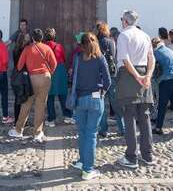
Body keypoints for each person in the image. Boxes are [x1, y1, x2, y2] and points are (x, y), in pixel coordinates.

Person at [115, 10, 155, 169]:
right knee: (144, 117)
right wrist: (148, 76)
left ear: (125, 21)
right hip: (144, 74)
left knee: (129, 116)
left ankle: (131, 157)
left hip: (129, 75)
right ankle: (148, 155)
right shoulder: (145, 35)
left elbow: (125, 59)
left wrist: (137, 76)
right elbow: (151, 58)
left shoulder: (123, 35)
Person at [70, 32, 111, 180]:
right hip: (95, 99)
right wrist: (102, 92)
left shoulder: (77, 59)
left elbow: (73, 77)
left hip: (81, 99)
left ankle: (82, 162)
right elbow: (108, 82)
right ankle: (88, 169)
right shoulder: (100, 58)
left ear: (82, 44)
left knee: (82, 132)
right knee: (91, 134)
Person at [8, 28, 57, 142]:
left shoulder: (27, 49)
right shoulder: (47, 48)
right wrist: (49, 73)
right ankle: (38, 133)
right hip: (45, 77)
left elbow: (19, 66)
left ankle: (18, 130)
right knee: (41, 105)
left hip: (31, 79)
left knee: (26, 105)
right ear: (42, 38)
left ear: (33, 38)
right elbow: (54, 64)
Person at [151, 37, 173, 135]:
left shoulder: (156, 53)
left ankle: (158, 128)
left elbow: (152, 67)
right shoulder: (169, 50)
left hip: (167, 80)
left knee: (162, 104)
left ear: (154, 45)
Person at [44, 28, 74, 126]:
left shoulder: (44, 47)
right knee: (63, 95)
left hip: (49, 70)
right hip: (60, 70)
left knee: (50, 96)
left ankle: (51, 119)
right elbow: (64, 58)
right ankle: (68, 116)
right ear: (54, 36)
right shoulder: (59, 46)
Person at [96, 21, 121, 138]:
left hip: (99, 78)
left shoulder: (96, 42)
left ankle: (103, 129)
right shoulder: (112, 41)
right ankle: (122, 128)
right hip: (112, 75)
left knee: (100, 103)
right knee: (116, 103)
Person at [11, 32, 31, 121]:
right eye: (26, 38)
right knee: (24, 97)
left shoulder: (15, 49)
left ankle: (17, 120)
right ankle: (22, 120)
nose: (28, 39)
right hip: (23, 75)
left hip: (15, 74)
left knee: (17, 98)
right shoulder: (25, 50)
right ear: (23, 39)